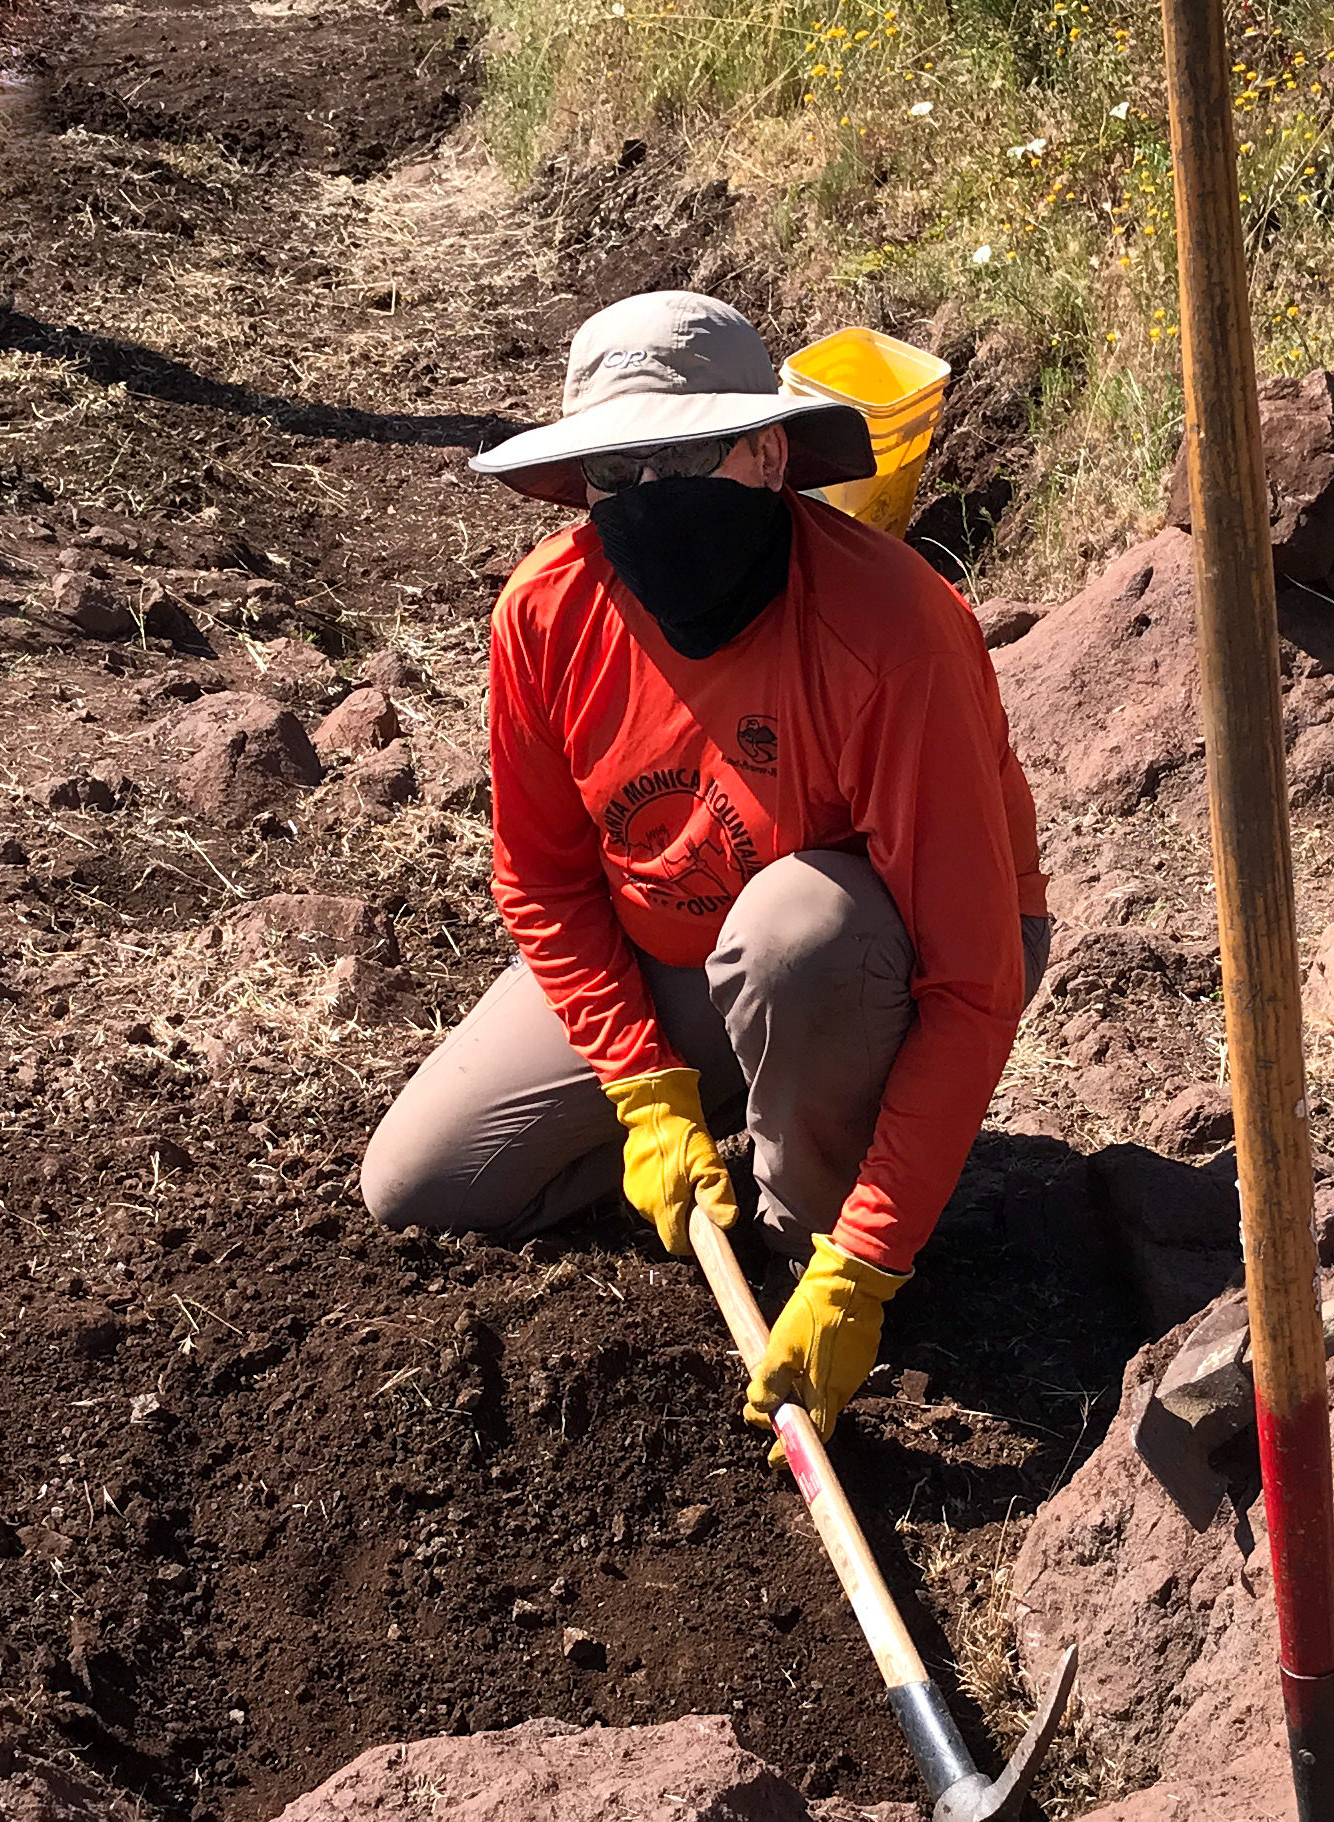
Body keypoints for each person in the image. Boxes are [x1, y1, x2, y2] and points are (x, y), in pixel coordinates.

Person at [361, 292, 1049, 1442]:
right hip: (677, 955)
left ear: (770, 453)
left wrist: (863, 1265)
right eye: (612, 478)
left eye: (682, 458)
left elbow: (972, 974)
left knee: (795, 935)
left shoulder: (893, 632)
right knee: (424, 1186)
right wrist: (640, 1086)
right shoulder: (545, 616)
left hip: (872, 952)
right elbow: (543, 883)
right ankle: (731, 1093)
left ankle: (810, 1227)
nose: (648, 506)